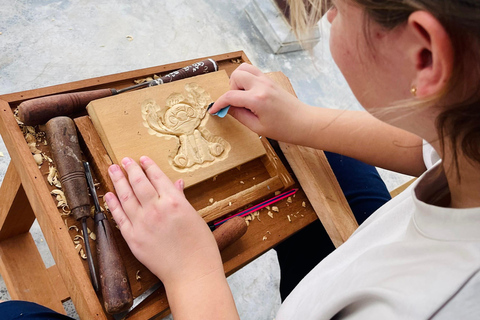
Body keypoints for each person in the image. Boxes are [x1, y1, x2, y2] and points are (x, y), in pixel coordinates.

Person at [2, 0, 480, 318]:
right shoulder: (468, 136)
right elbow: (429, 148)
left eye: (336, 7)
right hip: (371, 259)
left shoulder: (426, 305)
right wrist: (301, 122)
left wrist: (192, 272)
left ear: (424, 57)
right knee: (330, 156)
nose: (329, 16)